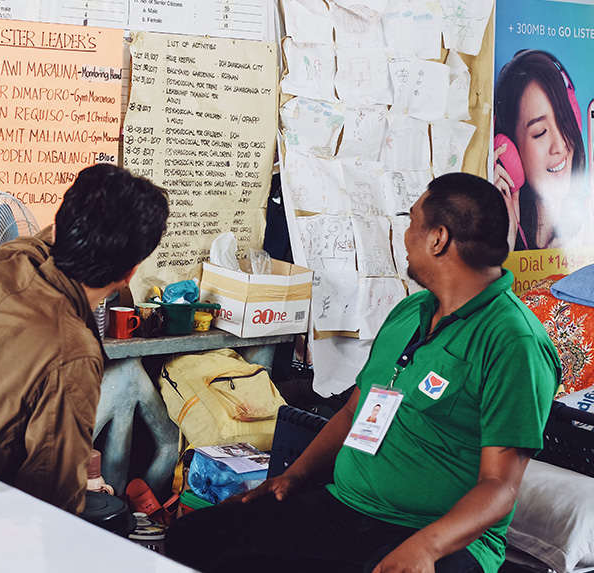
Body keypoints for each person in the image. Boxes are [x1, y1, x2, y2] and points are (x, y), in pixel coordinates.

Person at [165, 172, 560, 573]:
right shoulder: (410, 312)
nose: (404, 238)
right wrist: (294, 476)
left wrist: (425, 548)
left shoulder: (514, 342)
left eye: (410, 223)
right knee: (194, 538)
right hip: (344, 510)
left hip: (433, 536)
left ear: (438, 239)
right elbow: (355, 412)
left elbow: (500, 486)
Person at [0, 164, 169, 514]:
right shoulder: (73, 353)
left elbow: (49, 239)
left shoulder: (7, 259)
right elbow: (52, 498)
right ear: (130, 273)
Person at [493, 49, 586, 251]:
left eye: (564, 120)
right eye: (540, 132)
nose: (559, 146)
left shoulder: (588, 235)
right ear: (511, 151)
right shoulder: (493, 241)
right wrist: (506, 246)